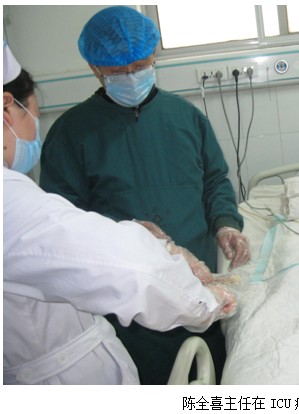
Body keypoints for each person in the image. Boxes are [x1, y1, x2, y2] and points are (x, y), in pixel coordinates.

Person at [3, 41, 236, 385]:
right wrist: (204, 301)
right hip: (135, 309)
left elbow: (215, 179)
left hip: (179, 281)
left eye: (139, 67)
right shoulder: (69, 135)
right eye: (117, 71)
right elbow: (114, 261)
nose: (130, 77)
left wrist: (226, 224)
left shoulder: (185, 117)